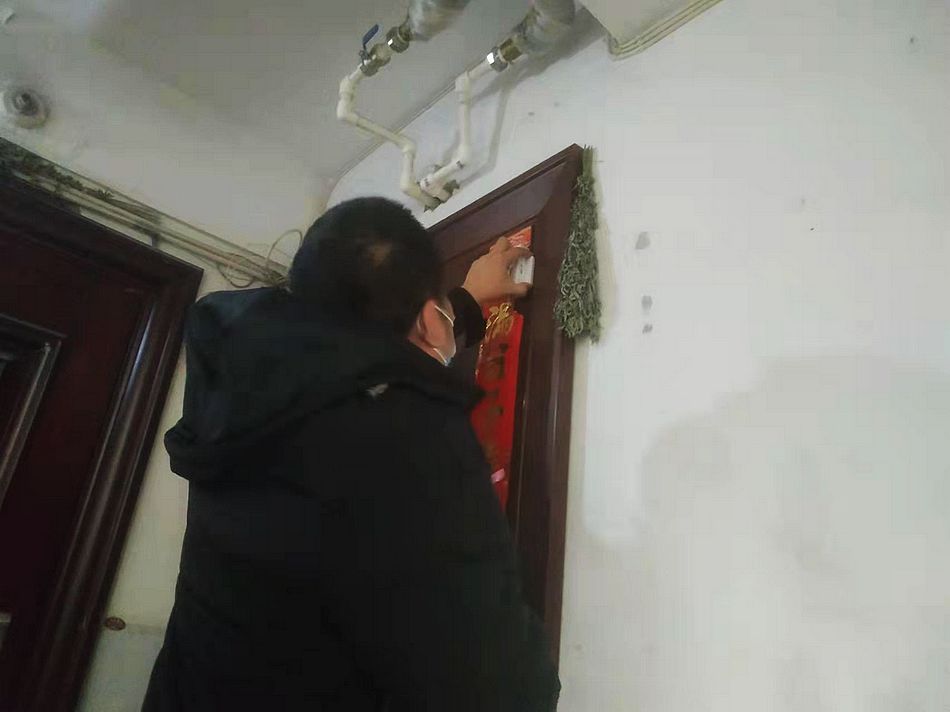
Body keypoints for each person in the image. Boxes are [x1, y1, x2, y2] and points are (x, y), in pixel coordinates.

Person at [144, 197, 560, 711]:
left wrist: (463, 305)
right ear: (429, 320)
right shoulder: (409, 434)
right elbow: (496, 686)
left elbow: (358, 362)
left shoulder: (245, 386)